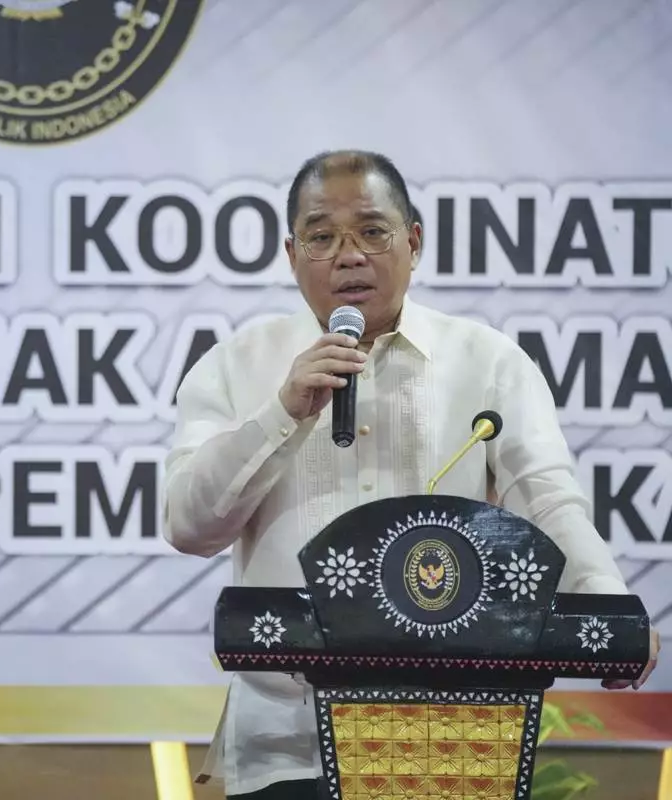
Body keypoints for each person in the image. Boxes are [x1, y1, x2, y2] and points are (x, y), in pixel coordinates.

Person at [161, 150, 659, 800]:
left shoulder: (489, 364)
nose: (348, 255)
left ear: (413, 241)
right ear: (291, 254)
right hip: (285, 746)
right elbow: (188, 525)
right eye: (321, 236)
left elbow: (548, 499)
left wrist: (607, 609)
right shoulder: (234, 369)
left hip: (450, 738)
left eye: (372, 230)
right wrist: (283, 413)